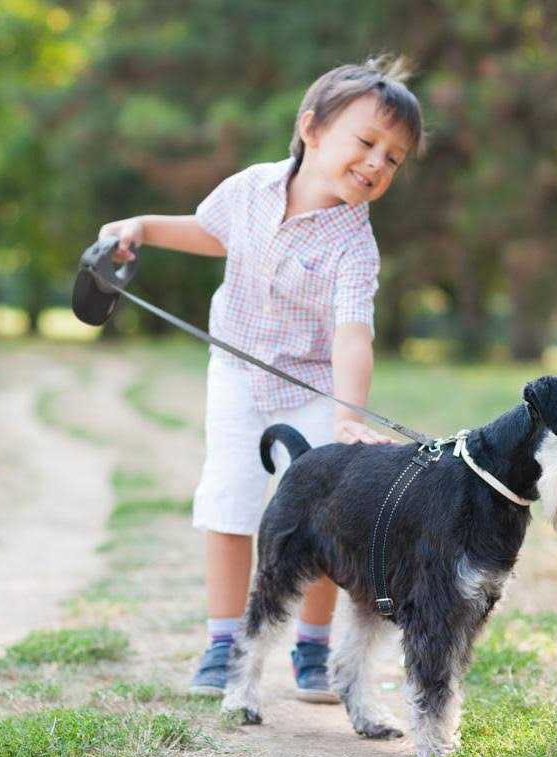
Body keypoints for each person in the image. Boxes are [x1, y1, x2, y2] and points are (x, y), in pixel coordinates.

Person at [98, 55, 425, 702]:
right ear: (311, 129)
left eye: (393, 159)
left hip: (312, 387)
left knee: (322, 511)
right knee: (229, 502)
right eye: (366, 143)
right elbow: (210, 232)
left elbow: (352, 333)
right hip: (238, 375)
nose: (376, 164)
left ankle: (312, 647)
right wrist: (141, 227)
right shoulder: (249, 188)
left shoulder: (355, 246)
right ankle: (225, 643)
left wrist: (347, 416)